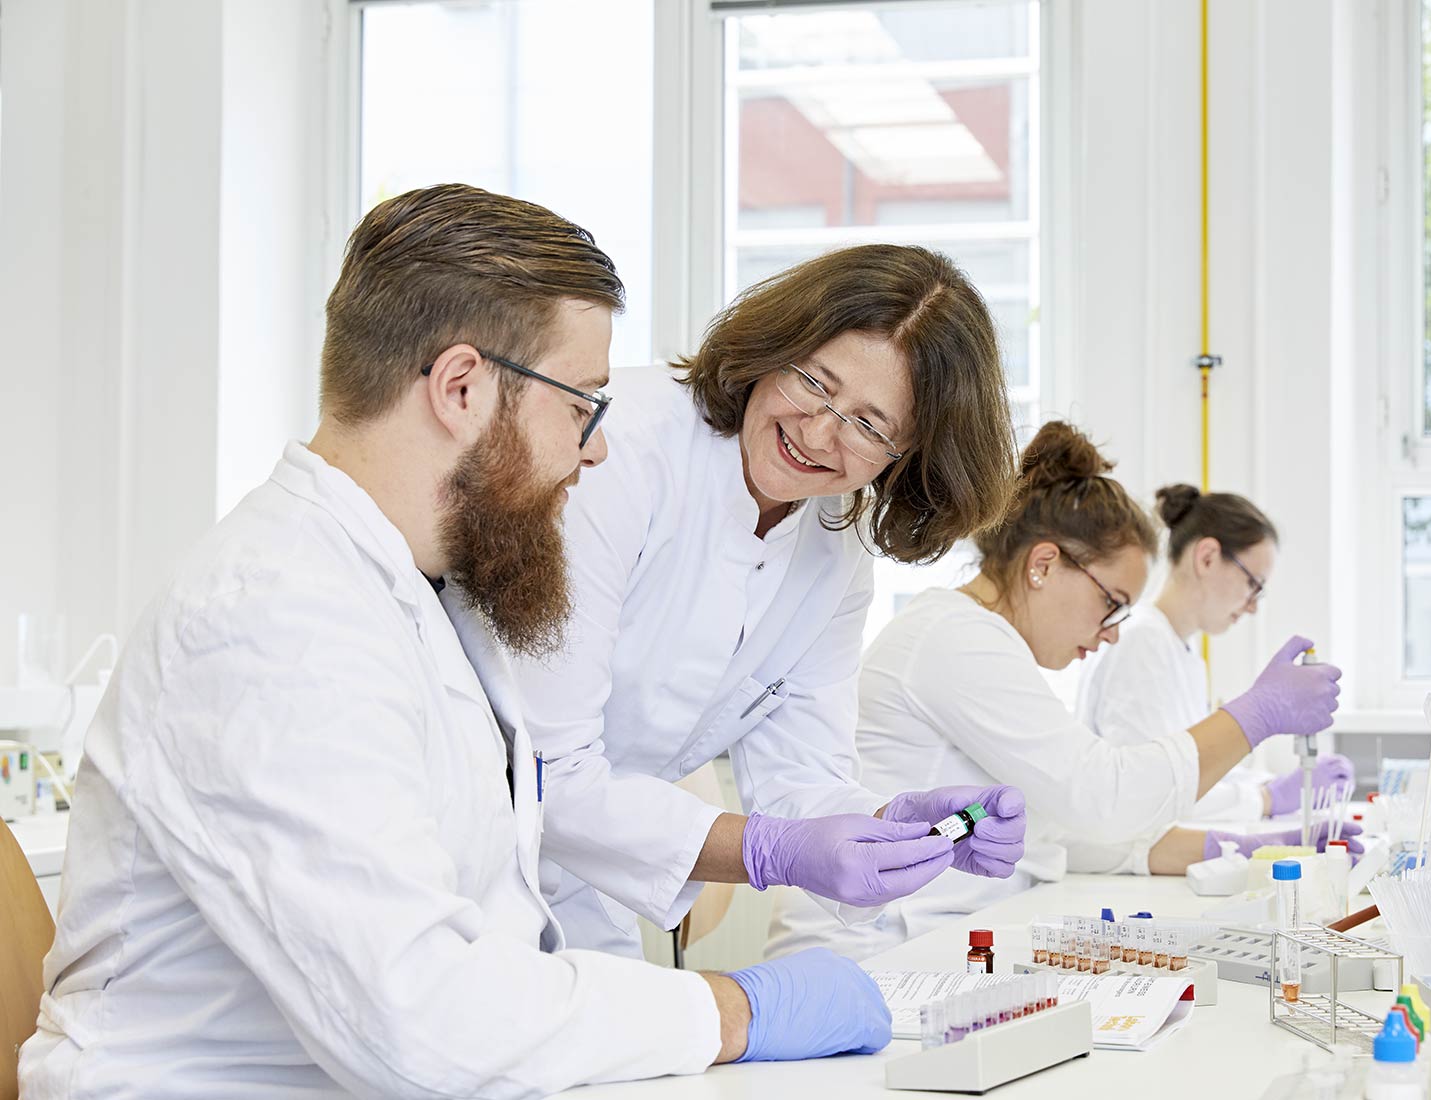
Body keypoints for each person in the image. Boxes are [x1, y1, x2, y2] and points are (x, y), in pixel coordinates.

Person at [20, 185, 893, 1099]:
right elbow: (424, 1027)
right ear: (462, 388)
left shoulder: (408, 596)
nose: (596, 452)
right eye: (582, 407)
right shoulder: (274, 619)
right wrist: (737, 1012)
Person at [487, 244, 1030, 957]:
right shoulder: (621, 452)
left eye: (870, 426)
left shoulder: (834, 554)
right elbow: (547, 770)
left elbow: (800, 779)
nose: (818, 432)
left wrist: (892, 828)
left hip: (588, 899)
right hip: (470, 860)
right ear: (774, 347)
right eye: (813, 381)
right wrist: (768, 852)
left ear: (909, 458)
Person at [764, 422, 1355, 960]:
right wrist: (1258, 713)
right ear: (1043, 564)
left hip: (935, 942)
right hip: (868, 959)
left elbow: (1066, 832)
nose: (1114, 631)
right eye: (1111, 603)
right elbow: (1103, 796)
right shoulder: (954, 639)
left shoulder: (986, 643)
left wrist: (1242, 848)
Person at [1078, 484, 1353, 822]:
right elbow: (1149, 791)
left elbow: (1198, 770)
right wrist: (1268, 798)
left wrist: (1278, 784)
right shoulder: (1142, 641)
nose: (1252, 607)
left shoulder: (1183, 651)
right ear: (1207, 557)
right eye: (1253, 584)